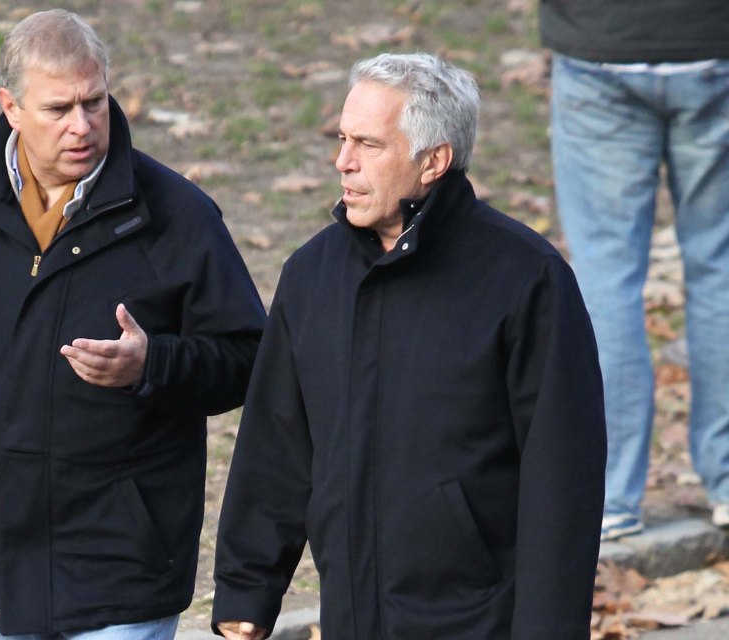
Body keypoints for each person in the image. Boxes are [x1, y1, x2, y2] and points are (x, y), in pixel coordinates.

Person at [0, 9, 266, 639]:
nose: (83, 125)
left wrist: (153, 365)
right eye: (58, 108)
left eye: (94, 102)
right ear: (11, 108)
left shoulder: (179, 216)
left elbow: (250, 359)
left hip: (123, 571)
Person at [210, 53, 607, 640]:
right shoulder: (311, 275)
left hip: (481, 621)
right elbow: (276, 444)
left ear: (433, 162)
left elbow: (562, 478)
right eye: (343, 139)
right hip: (353, 616)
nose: (342, 162)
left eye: (368, 145)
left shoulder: (527, 279)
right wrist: (247, 590)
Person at [540, 1, 729, 540]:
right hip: (715, 39)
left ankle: (610, 494)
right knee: (721, 267)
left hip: (601, 40)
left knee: (605, 278)